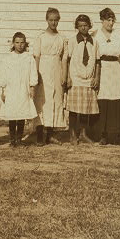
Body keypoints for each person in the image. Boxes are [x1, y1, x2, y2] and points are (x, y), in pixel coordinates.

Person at [32, 8, 69, 145]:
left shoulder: (62, 38)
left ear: (59, 20)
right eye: (51, 20)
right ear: (47, 20)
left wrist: (64, 75)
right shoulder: (41, 37)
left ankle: (51, 134)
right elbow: (37, 56)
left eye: (56, 20)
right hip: (43, 70)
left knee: (56, 99)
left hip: (57, 69)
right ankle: (40, 134)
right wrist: (36, 75)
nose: (53, 23)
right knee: (43, 100)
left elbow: (64, 58)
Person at [94, 8, 120, 146]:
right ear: (102, 20)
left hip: (115, 69)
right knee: (103, 101)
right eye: (108, 20)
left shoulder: (118, 35)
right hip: (102, 69)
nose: (111, 22)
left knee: (117, 102)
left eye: (113, 20)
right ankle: (103, 135)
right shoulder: (95, 35)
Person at [64, 14, 100, 145]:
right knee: (74, 109)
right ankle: (72, 134)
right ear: (77, 27)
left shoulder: (94, 42)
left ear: (89, 26)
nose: (83, 28)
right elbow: (67, 60)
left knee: (86, 108)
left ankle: (83, 134)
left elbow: (97, 61)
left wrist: (96, 77)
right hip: (75, 79)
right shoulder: (72, 41)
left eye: (85, 25)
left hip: (88, 79)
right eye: (80, 26)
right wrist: (67, 77)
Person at [0, 32, 38, 148]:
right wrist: (3, 90)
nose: (20, 45)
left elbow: (33, 73)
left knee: (21, 114)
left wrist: (32, 87)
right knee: (12, 115)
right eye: (17, 42)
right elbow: (3, 74)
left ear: (25, 43)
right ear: (13, 43)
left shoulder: (29, 57)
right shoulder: (8, 58)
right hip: (11, 89)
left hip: (23, 89)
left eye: (22, 43)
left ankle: (19, 140)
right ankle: (12, 140)